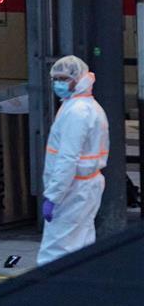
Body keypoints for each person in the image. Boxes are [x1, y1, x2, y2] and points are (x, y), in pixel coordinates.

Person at [37, 55, 109, 266]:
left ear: (78, 79)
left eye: (64, 78)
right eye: (56, 78)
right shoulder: (87, 106)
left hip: (73, 189)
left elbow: (67, 159)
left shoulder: (76, 112)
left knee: (57, 250)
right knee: (81, 244)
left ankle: (53, 293)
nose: (58, 84)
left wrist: (54, 196)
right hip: (85, 186)